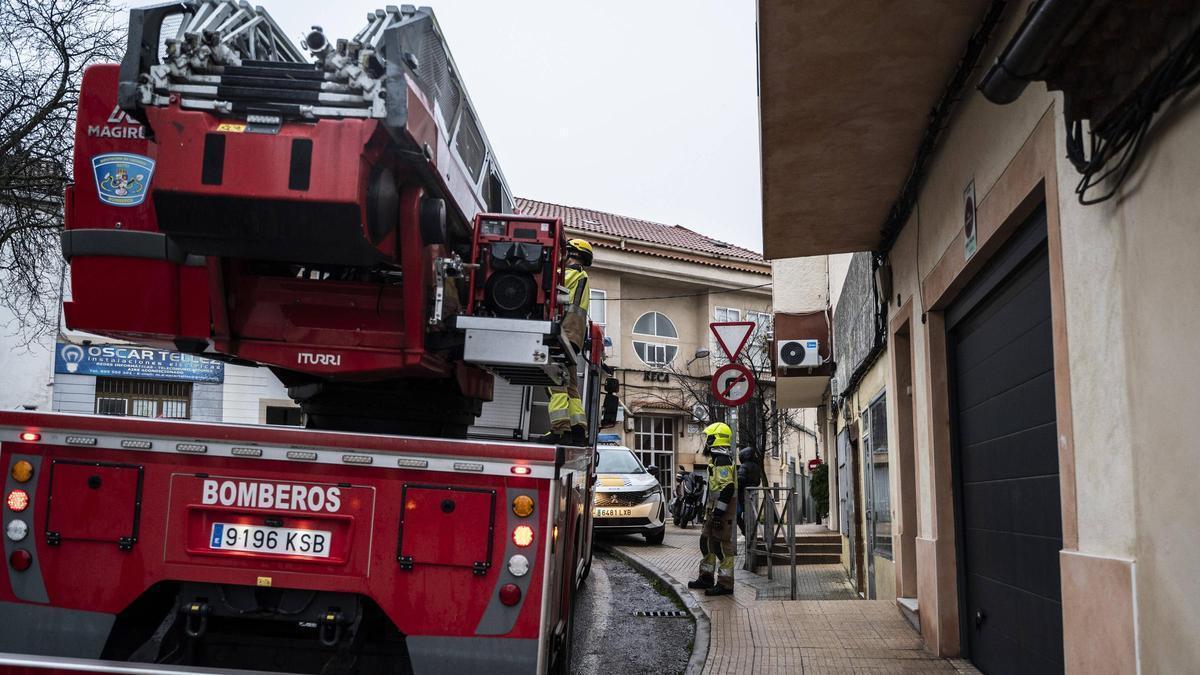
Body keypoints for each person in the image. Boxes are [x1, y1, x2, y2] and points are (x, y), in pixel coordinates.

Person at [539, 238, 593, 446]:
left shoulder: (571, 273)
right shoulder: (581, 276)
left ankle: (560, 430)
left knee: (556, 381)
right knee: (571, 385)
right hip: (574, 336)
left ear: (571, 253)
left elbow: (550, 287)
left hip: (564, 333)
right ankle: (578, 430)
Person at [687, 422, 738, 596]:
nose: (706, 442)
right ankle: (706, 577)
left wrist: (719, 513)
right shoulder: (716, 459)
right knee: (706, 542)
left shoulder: (722, 460)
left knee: (721, 547)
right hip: (714, 510)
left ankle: (725, 584)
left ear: (715, 439)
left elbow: (728, 488)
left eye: (708, 438)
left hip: (722, 511)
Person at [736, 447, 763, 535]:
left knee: (737, 514)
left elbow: (740, 480)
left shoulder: (744, 466)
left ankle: (745, 531)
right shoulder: (757, 467)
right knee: (750, 515)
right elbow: (758, 482)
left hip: (743, 494)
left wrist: (736, 489)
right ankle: (750, 534)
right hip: (753, 494)